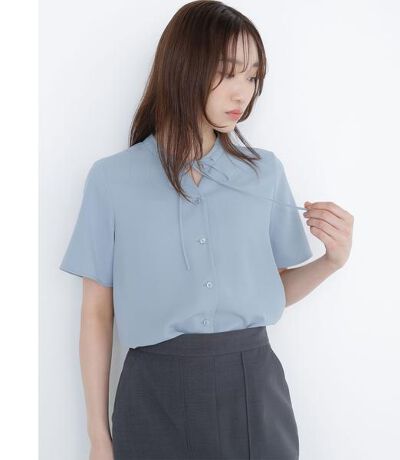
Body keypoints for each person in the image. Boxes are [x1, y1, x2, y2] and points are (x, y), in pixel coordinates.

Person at [59, 1, 353, 459]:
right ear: (184, 66)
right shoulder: (111, 179)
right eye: (228, 72)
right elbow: (97, 314)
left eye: (252, 76)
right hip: (151, 396)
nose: (243, 93)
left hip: (252, 389)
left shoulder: (264, 174)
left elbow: (273, 290)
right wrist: (99, 436)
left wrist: (332, 261)